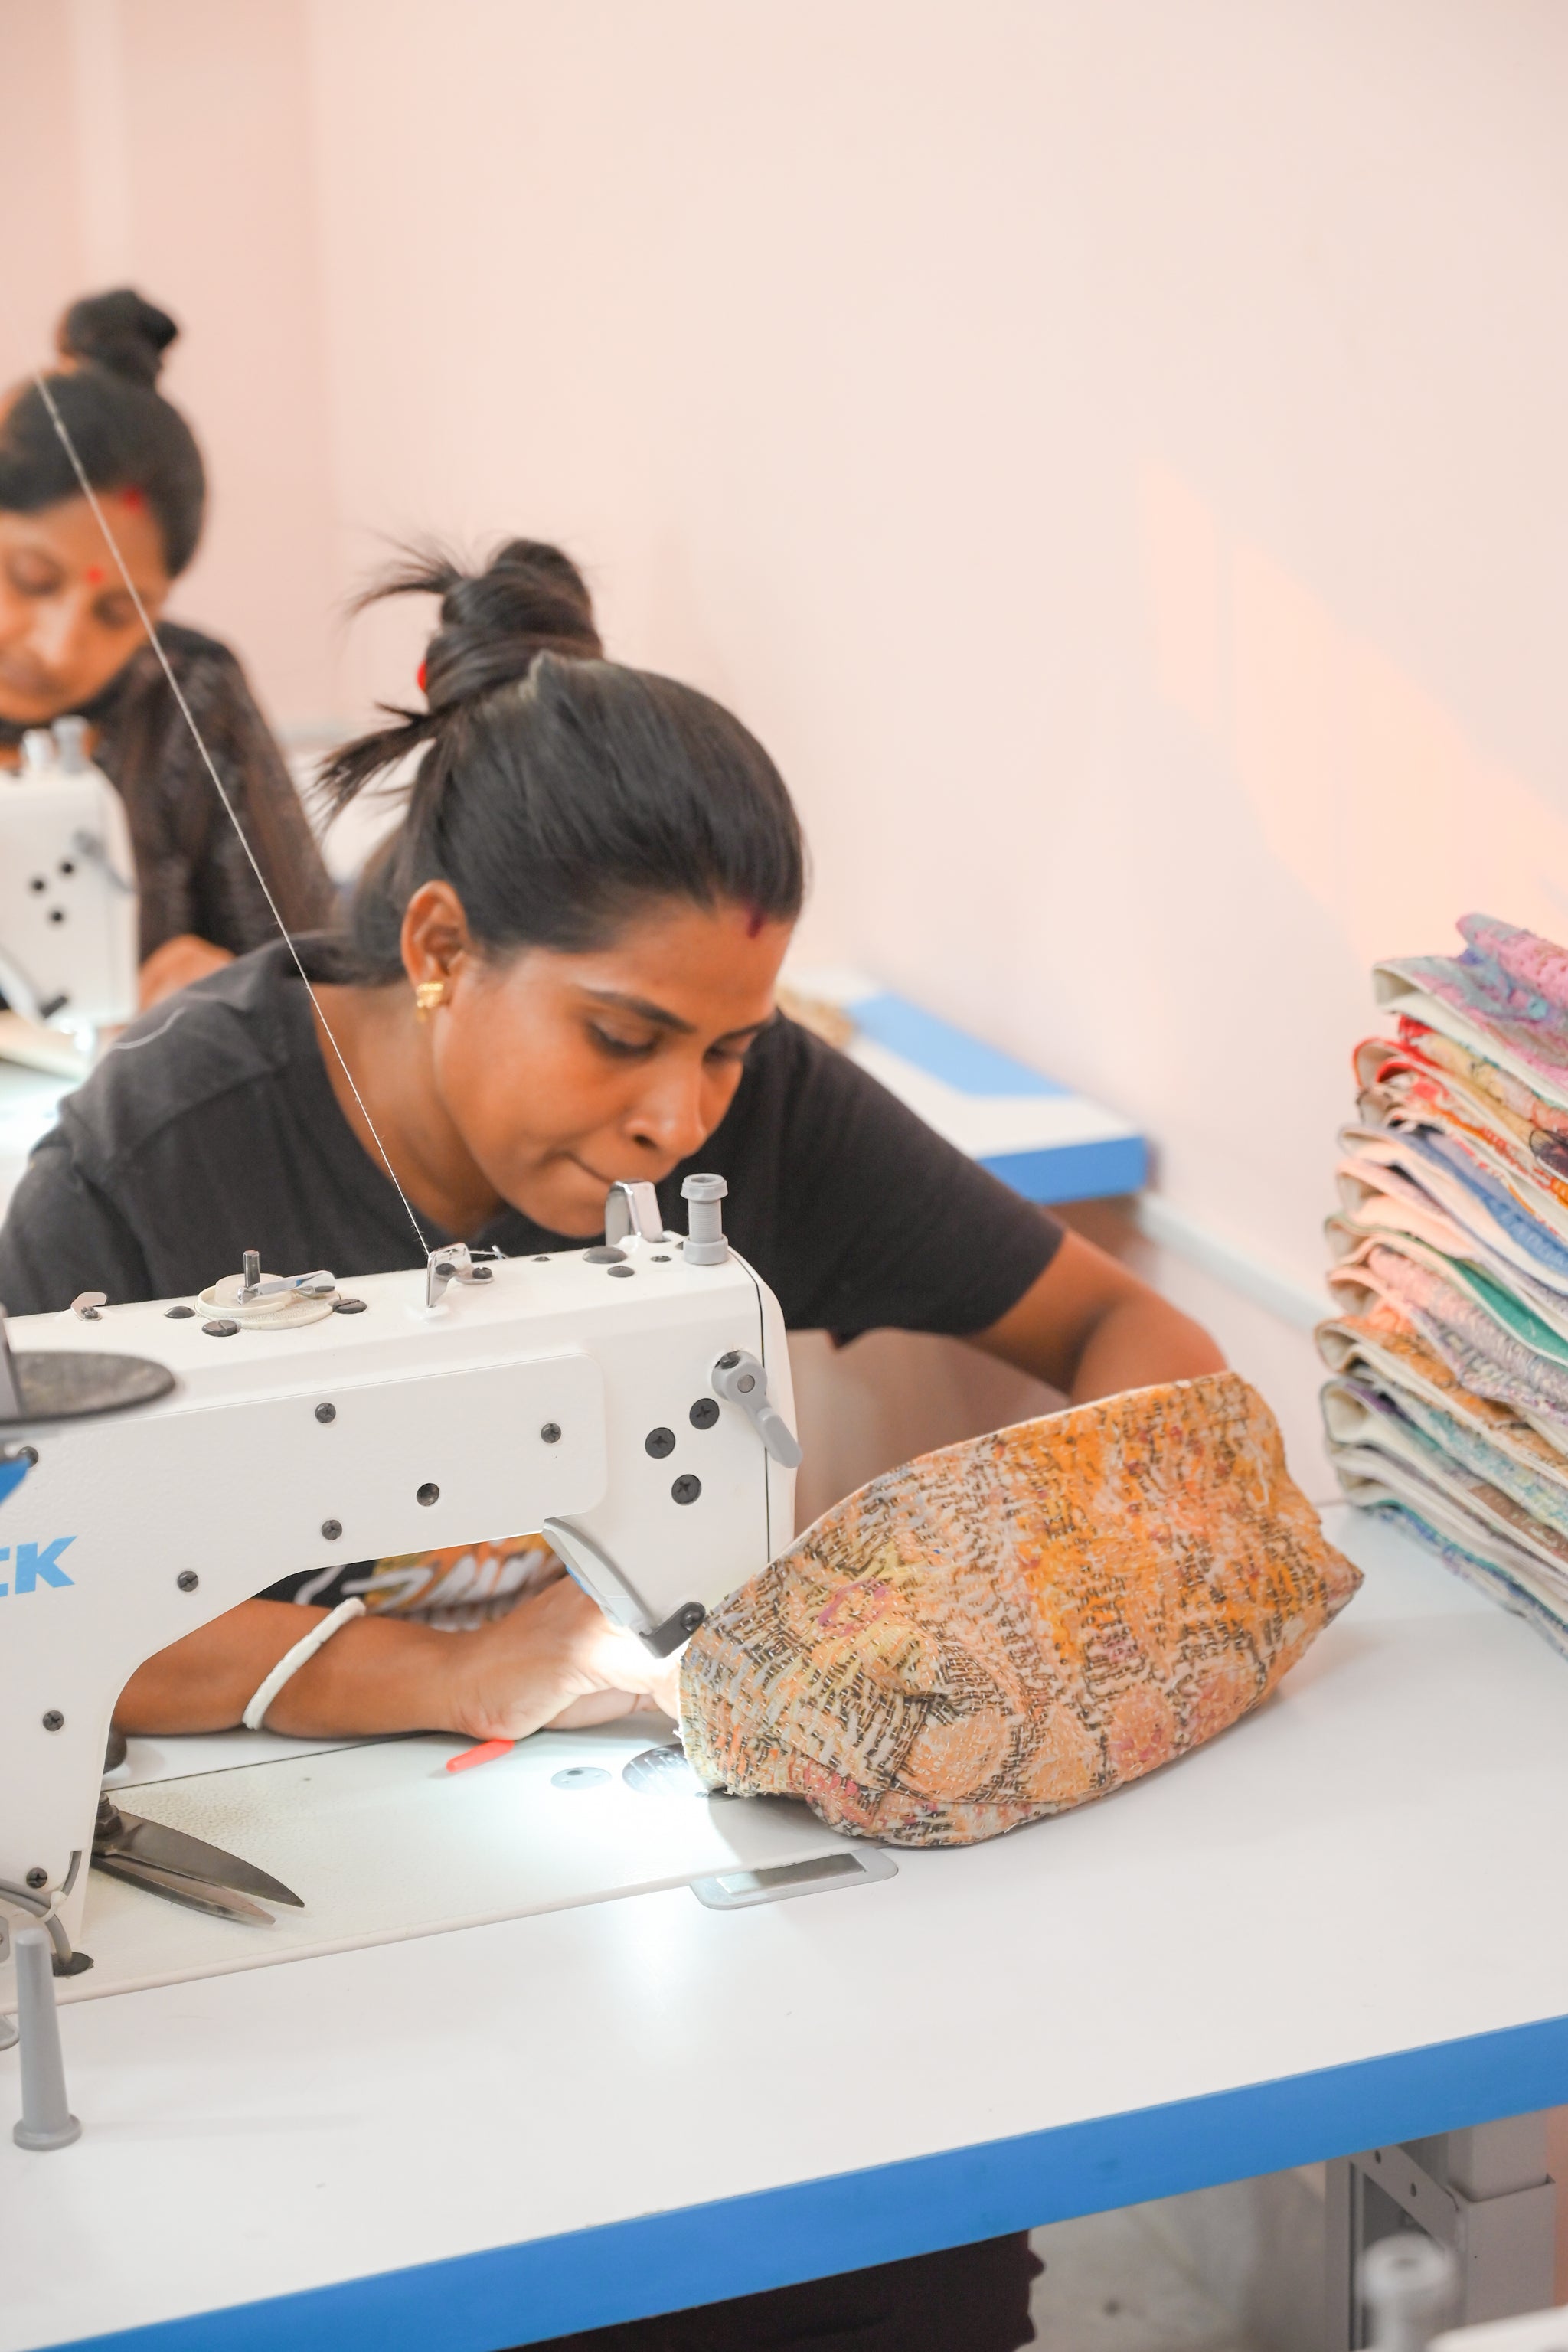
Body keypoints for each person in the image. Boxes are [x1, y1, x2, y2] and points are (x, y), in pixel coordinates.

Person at [0, 538, 1223, 2352]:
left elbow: (1127, 1335)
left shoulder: (754, 1109)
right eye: (623, 1035)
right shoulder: (166, 1151)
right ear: (437, 948)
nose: (677, 1116)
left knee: (914, 2251)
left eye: (725, 1046)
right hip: (278, 1981)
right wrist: (455, 1665)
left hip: (665, 1915)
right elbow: (35, 1577)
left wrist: (1053, 1580)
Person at [0, 289, 334, 1008]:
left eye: (119, 613)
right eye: (29, 581)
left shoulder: (191, 694)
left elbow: (324, 977)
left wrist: (242, 996)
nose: (60, 647)